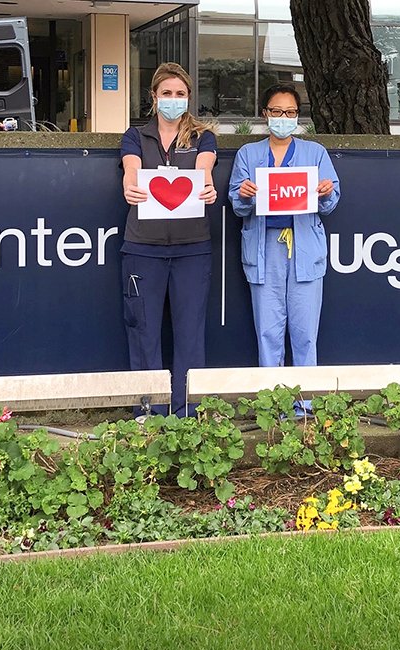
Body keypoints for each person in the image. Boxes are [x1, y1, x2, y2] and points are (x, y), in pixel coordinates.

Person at [120, 62, 218, 416]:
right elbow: (131, 167)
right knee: (143, 332)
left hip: (192, 251)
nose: (173, 100)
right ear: (154, 97)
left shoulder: (203, 136)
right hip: (142, 250)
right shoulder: (135, 136)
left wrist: (206, 183)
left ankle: (187, 415)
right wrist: (129, 184)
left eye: (179, 94)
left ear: (189, 98)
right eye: (166, 94)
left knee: (190, 333)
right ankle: (149, 413)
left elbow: (205, 165)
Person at [229, 84, 340, 370]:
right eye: (277, 111)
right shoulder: (248, 154)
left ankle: (304, 403)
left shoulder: (314, 153)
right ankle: (273, 402)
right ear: (265, 113)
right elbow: (237, 204)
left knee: (305, 332)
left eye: (290, 112)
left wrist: (326, 191)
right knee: (267, 331)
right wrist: (244, 194)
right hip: (264, 247)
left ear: (297, 116)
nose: (283, 117)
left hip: (304, 247)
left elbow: (331, 202)